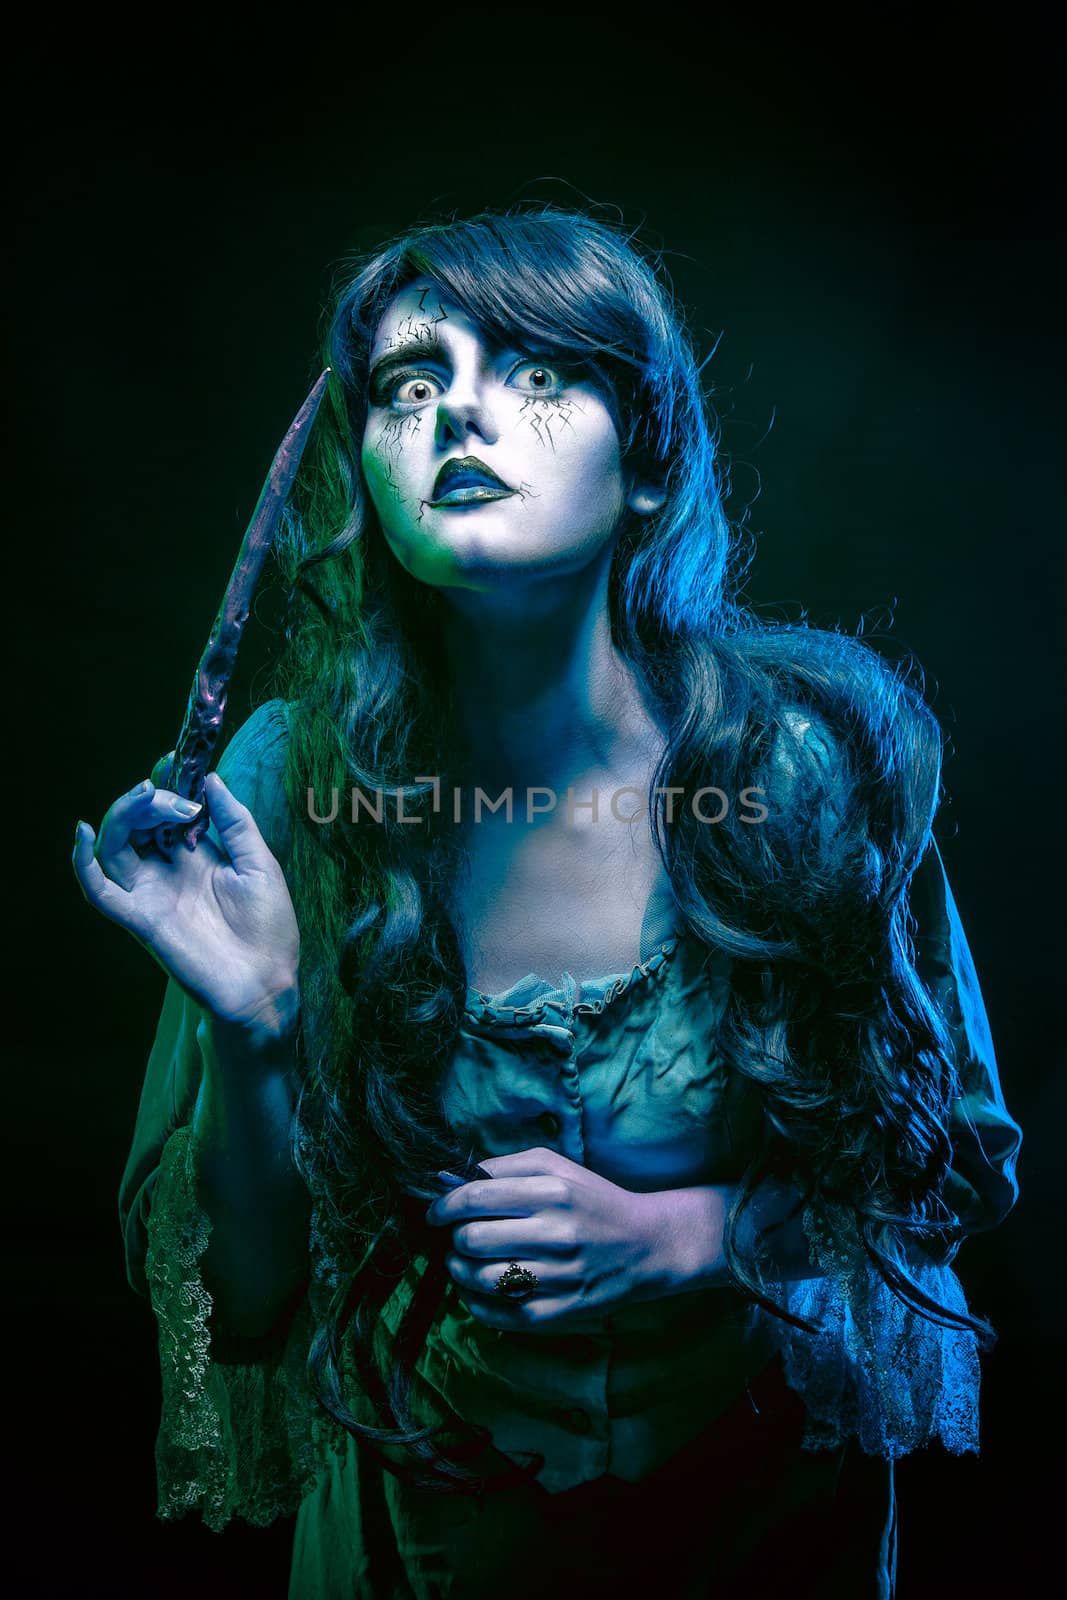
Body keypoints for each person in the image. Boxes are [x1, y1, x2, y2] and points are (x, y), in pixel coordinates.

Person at [73, 206, 1022, 1599]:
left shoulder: (801, 771)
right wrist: (257, 1031)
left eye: (534, 372)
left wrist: (683, 1234)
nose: (460, 409)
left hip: (766, 1545)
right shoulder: (284, 789)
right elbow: (252, 1307)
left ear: (646, 461)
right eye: (411, 382)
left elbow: (948, 1167)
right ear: (369, 476)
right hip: (421, 1560)